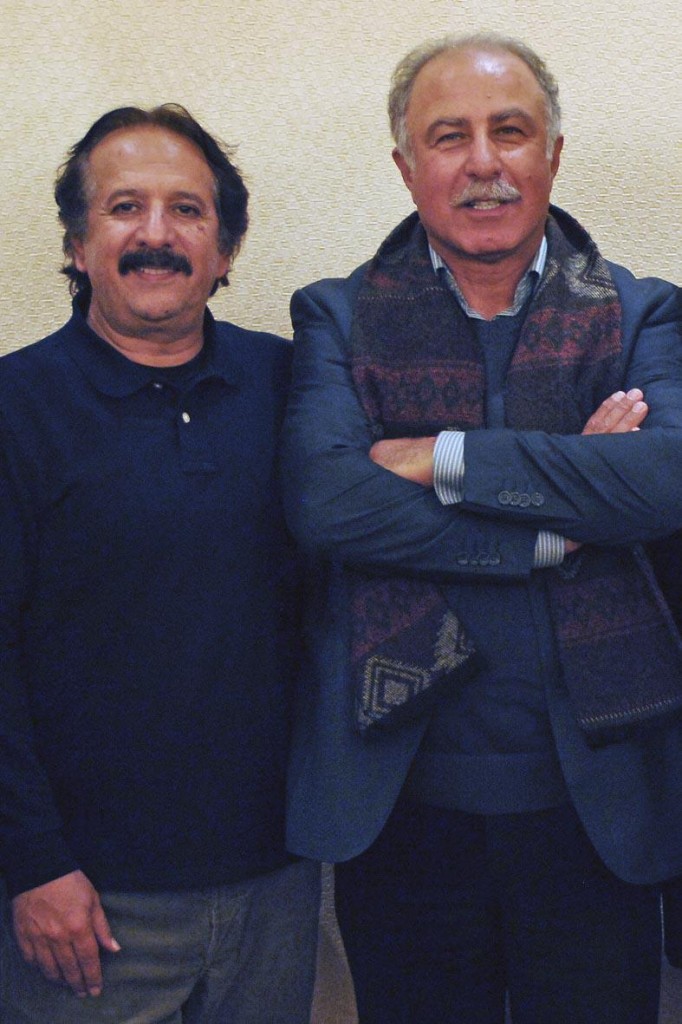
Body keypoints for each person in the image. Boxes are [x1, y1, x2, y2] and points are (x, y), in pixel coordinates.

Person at [282, 32, 682, 1024]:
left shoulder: (644, 315)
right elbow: (328, 501)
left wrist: (440, 457)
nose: (483, 162)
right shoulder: (337, 317)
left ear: (553, 152)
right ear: (405, 166)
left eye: (510, 131)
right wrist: (560, 519)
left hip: (598, 809)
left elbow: (662, 483)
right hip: (403, 811)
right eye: (448, 136)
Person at [0, 104, 320, 1024]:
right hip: (84, 902)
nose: (156, 235)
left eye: (187, 209)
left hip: (278, 880)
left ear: (226, 249)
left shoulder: (294, 386)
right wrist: (32, 864)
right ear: (76, 244)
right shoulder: (16, 407)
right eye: (123, 207)